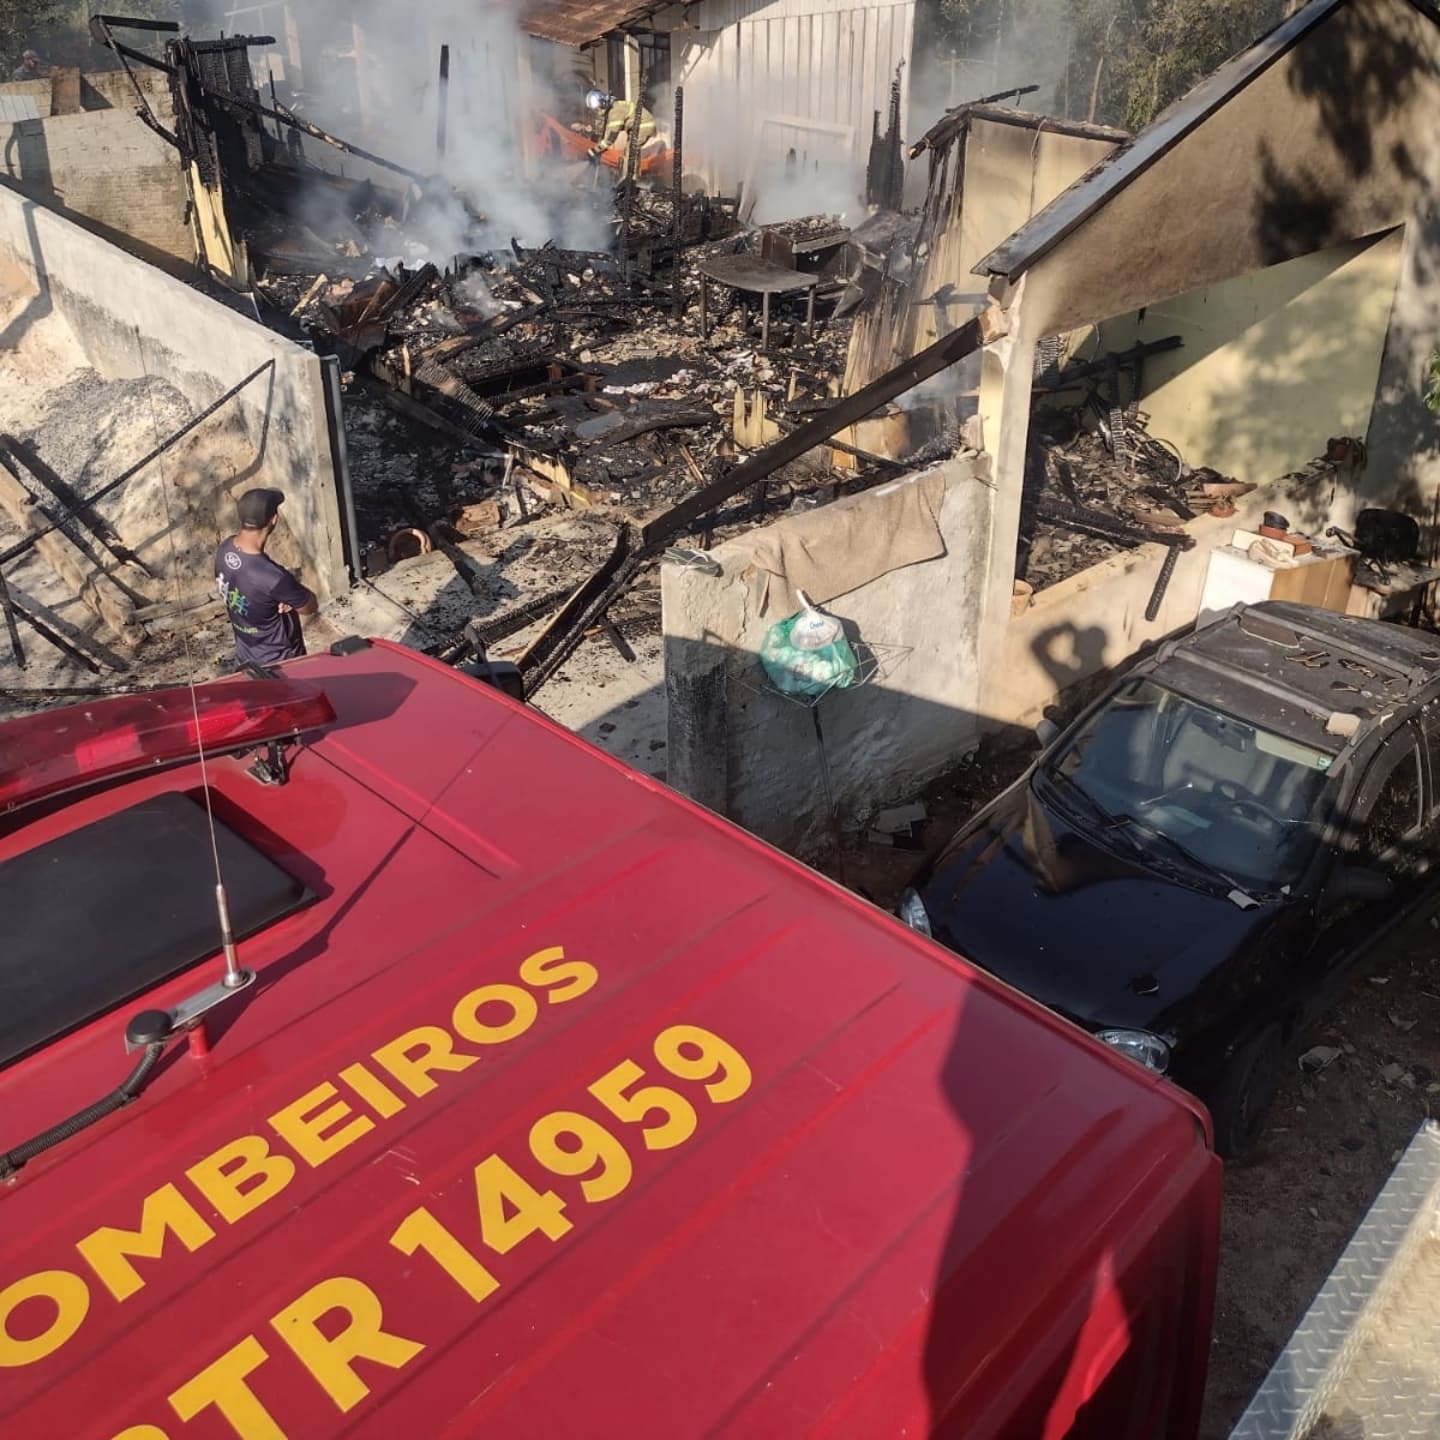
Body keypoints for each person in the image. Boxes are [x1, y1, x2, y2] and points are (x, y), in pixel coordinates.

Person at [214, 488, 316, 667]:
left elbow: (251, 589)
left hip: (246, 656)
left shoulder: (225, 549)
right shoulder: (273, 577)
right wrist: (287, 593)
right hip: (281, 663)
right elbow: (309, 606)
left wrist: (277, 595)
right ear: (274, 519)